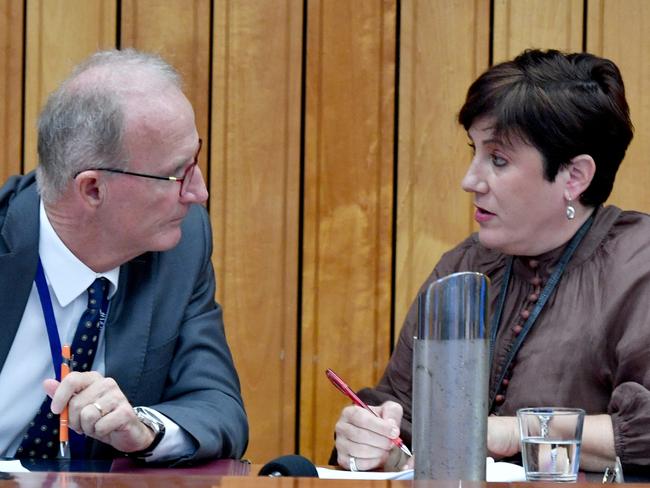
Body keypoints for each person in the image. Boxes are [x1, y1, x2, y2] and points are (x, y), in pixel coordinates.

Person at [332, 49, 650, 474]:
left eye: (497, 160)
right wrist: (370, 442)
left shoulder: (638, 263)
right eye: (474, 151)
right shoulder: (463, 266)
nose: (470, 180)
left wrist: (510, 432)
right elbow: (403, 425)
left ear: (574, 177)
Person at [0, 49, 248, 463]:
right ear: (93, 189)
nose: (199, 193)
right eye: (177, 174)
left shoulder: (180, 245)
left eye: (196, 161)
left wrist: (145, 428)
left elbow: (218, 406)